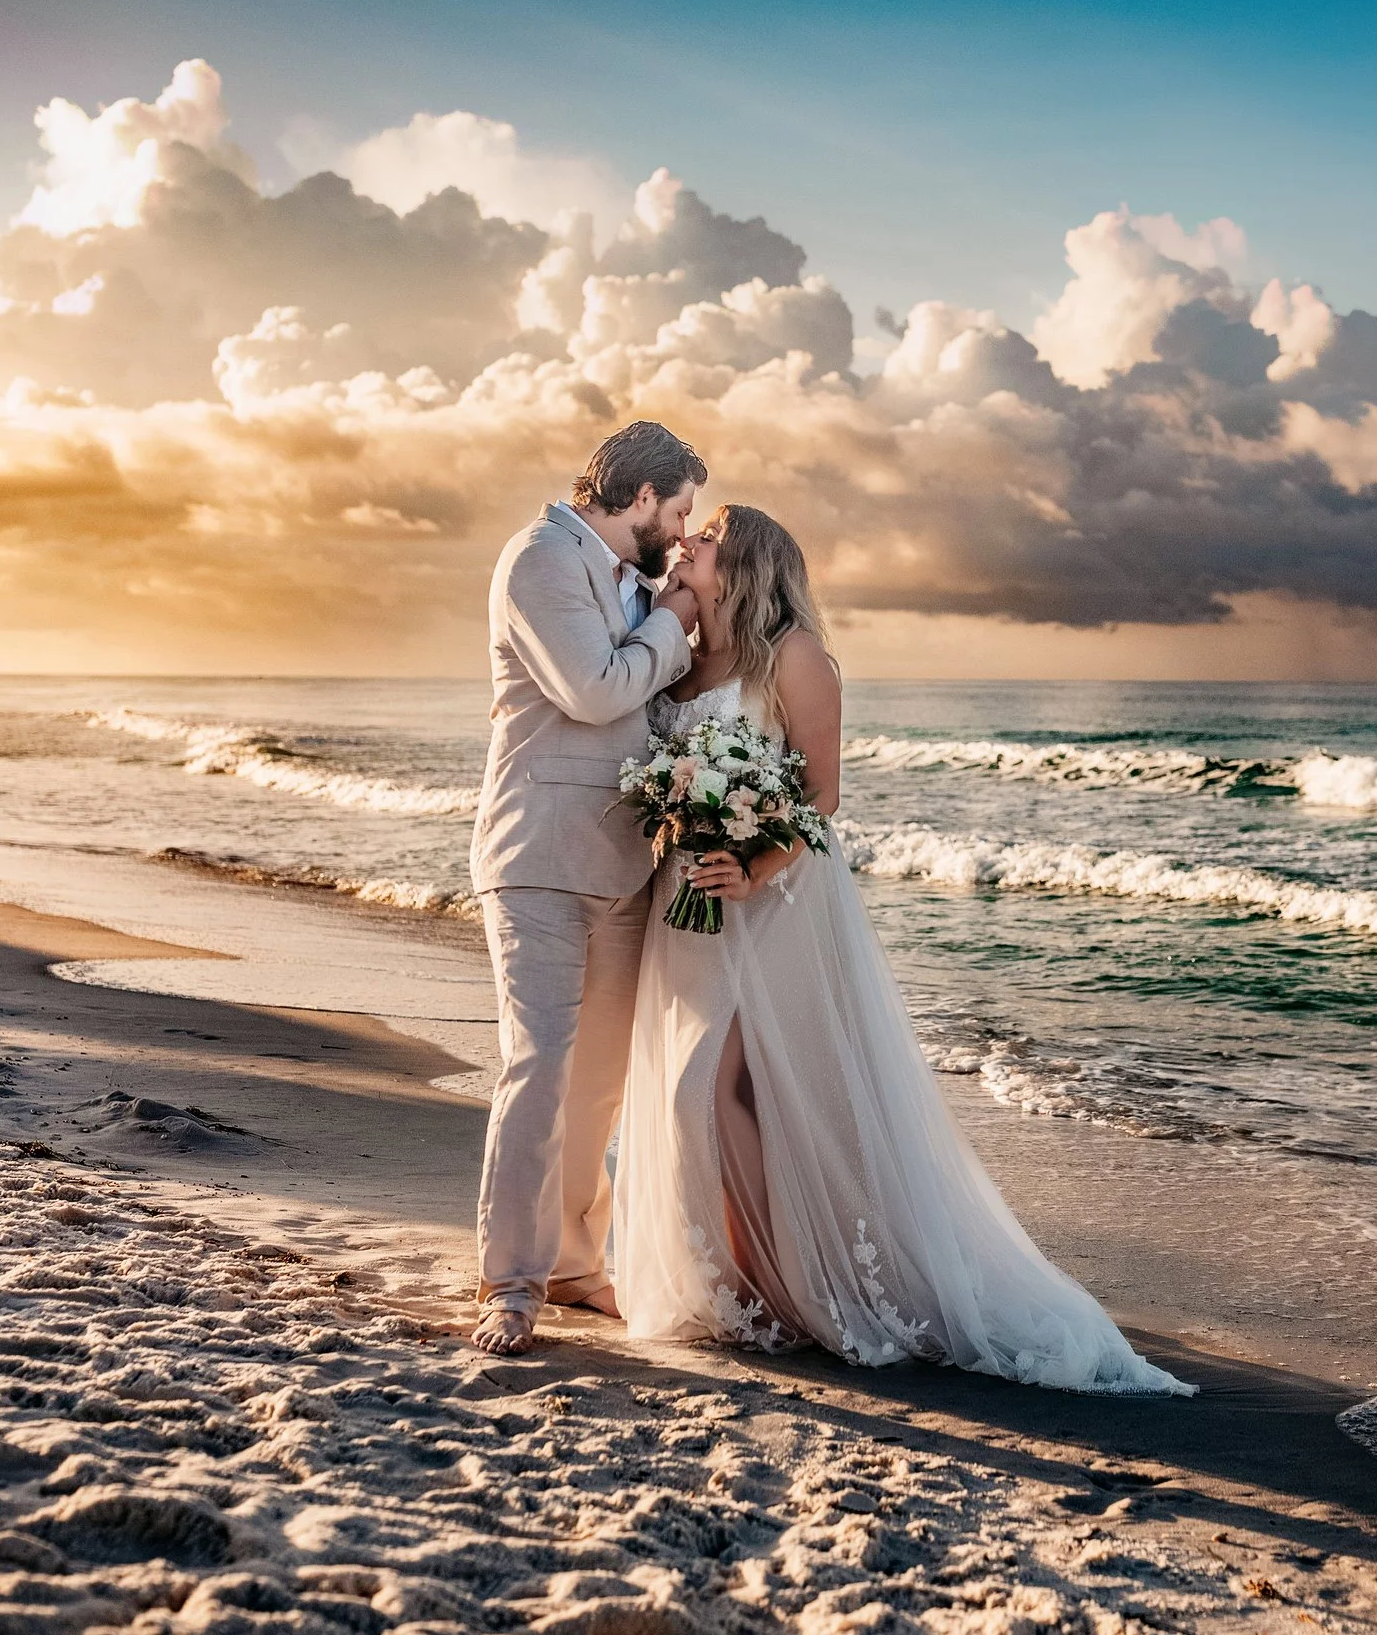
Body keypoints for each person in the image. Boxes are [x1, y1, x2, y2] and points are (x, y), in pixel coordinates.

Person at [613, 505, 1193, 1395]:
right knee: (700, 1089)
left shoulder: (796, 656)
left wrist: (754, 865)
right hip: (688, 901)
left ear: (751, 562)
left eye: (709, 535)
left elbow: (822, 795)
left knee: (744, 1090)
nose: (688, 541)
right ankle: (740, 1283)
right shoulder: (682, 657)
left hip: (776, 902)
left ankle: (789, 1288)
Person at [467, 421, 705, 1357]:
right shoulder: (539, 559)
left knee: (598, 1087)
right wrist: (677, 626)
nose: (682, 530)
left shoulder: (631, 581)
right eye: (678, 508)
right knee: (540, 1067)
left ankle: (571, 1263)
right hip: (538, 857)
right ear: (640, 496)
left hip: (625, 864)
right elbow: (593, 689)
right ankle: (511, 1281)